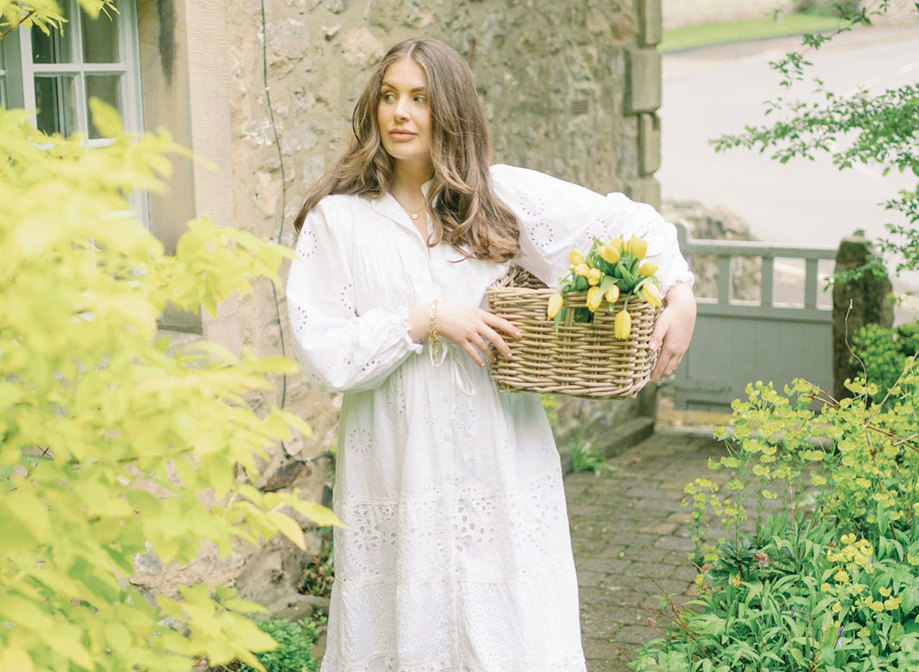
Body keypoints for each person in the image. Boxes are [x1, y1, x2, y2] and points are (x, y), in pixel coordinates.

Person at [287, 37, 696, 672]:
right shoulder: (339, 220)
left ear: (450, 111)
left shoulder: (497, 196)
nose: (400, 113)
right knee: (403, 628)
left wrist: (680, 292)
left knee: (513, 630)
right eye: (389, 96)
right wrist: (423, 320)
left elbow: (627, 223)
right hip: (396, 456)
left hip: (499, 452)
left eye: (420, 99)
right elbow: (325, 351)